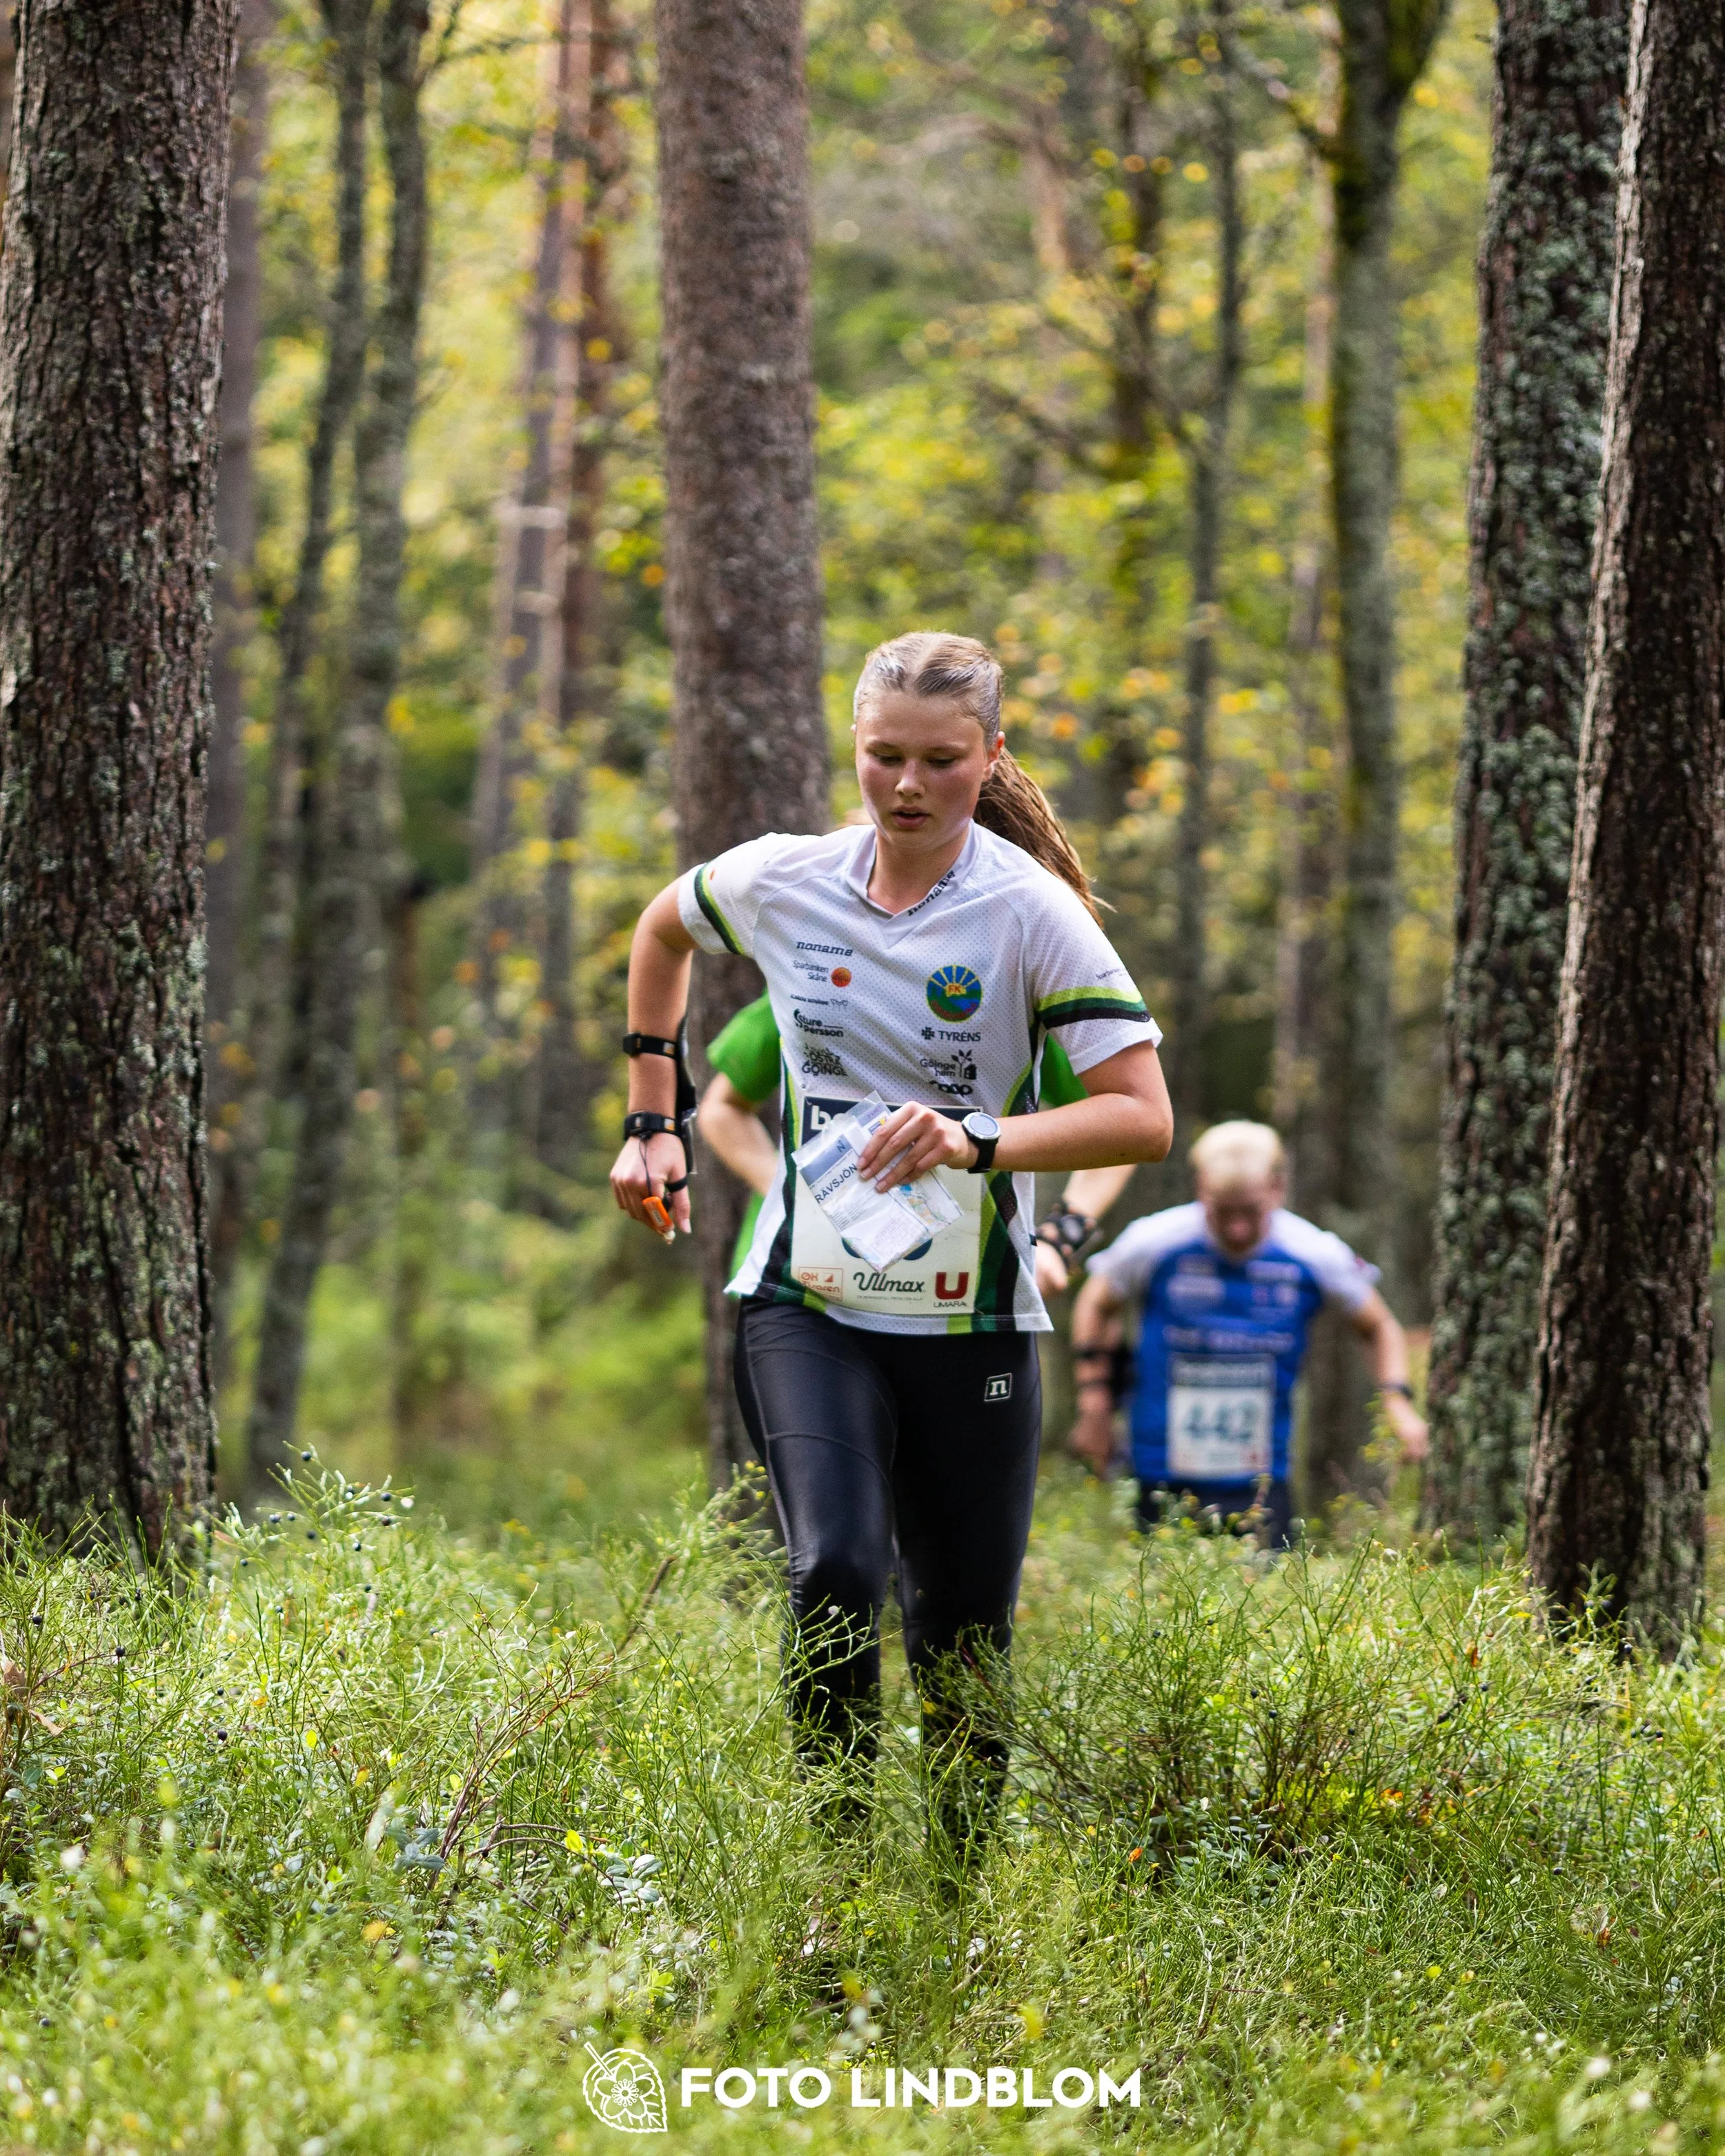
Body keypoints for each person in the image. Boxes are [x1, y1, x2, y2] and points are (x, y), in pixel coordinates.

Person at [611, 631, 1172, 1852]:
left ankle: (959, 1901)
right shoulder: (787, 877)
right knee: (835, 1570)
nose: (908, 786)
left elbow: (1143, 1116)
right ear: (854, 747)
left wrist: (976, 1140)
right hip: (806, 1302)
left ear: (992, 757)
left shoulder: (1032, 914)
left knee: (964, 1638)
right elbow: (662, 929)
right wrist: (652, 1120)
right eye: (883, 756)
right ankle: (841, 1875)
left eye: (941, 761)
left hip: (971, 1320)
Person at [1069, 1120, 1428, 1547]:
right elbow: (1095, 1303)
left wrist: (1396, 1401)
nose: (1237, 1229)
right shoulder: (1153, 1241)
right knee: (1156, 1584)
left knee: (1270, 1584)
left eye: (1251, 1212)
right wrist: (1095, 1405)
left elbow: (1379, 1325)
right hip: (1158, 1470)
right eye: (1223, 1212)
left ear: (1278, 1189)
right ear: (1201, 1188)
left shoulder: (1312, 1251)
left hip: (1261, 1478)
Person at [698, 992, 1136, 1291]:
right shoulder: (814, 982)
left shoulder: (1009, 1004)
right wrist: (796, 1194)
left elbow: (1120, 1128)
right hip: (800, 1279)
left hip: (966, 1291)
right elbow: (722, 1107)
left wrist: (1061, 1237)